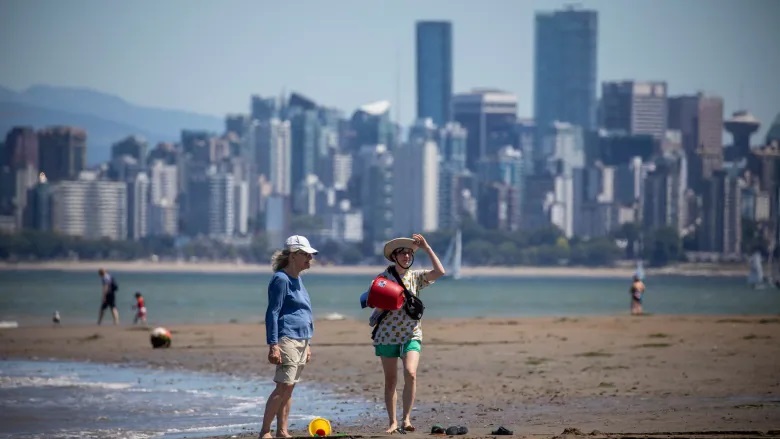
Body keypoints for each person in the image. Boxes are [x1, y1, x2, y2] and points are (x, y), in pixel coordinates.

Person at [369, 233, 445, 434]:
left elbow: (440, 272)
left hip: (412, 334)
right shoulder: (383, 278)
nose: (406, 257)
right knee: (391, 380)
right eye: (402, 254)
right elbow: (371, 301)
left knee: (410, 373)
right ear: (394, 257)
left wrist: (427, 248)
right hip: (386, 334)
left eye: (410, 254)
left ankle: (407, 419)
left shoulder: (416, 276)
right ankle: (392, 421)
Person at [259, 235, 318, 439]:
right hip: (287, 338)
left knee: (290, 386)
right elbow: (272, 313)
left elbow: (303, 312)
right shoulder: (281, 279)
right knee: (283, 386)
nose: (310, 259)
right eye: (306, 255)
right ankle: (265, 431)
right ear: (294, 255)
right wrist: (273, 344)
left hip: (301, 339)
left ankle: (282, 431)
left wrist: (308, 343)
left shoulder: (298, 279)